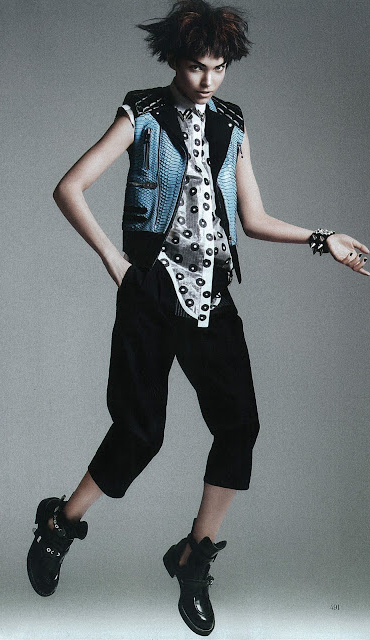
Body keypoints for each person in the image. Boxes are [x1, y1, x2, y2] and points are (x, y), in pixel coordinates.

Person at [27, 1, 369, 635]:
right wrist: (115, 262)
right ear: (173, 62)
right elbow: (69, 187)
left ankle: (194, 556)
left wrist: (323, 239)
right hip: (151, 294)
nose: (208, 80)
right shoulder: (142, 114)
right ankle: (61, 522)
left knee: (239, 426)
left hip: (211, 292)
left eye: (218, 67)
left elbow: (252, 219)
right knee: (140, 433)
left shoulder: (232, 123)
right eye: (195, 67)